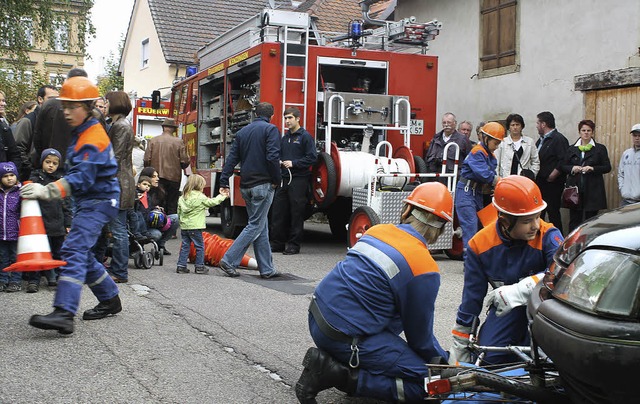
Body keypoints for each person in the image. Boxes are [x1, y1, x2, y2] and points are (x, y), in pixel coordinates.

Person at [295, 182, 453, 403]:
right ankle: (339, 375)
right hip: (345, 337)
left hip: (317, 317)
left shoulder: (378, 230)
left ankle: (343, 361)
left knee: (390, 303)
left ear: (406, 210)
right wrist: (442, 364)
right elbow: (420, 339)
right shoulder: (424, 268)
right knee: (433, 384)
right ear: (442, 229)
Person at [20, 76, 123, 335]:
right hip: (92, 200)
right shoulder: (82, 131)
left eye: (72, 107)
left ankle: (64, 313)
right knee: (82, 253)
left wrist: (47, 190)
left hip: (98, 201)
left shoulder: (93, 137)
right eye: (64, 106)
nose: (66, 112)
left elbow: (82, 177)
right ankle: (109, 298)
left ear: (88, 107)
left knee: (73, 249)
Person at [450, 176, 563, 366]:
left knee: (546, 361)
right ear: (504, 220)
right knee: (489, 359)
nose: (536, 225)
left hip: (546, 310)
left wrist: (520, 290)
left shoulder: (548, 235)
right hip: (506, 309)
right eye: (528, 220)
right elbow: (471, 300)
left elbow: (561, 274)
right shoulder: (479, 245)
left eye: (538, 216)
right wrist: (460, 342)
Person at [218, 102, 280, 279]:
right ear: (271, 116)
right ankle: (229, 260)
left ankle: (267, 269)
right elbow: (273, 157)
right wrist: (277, 179)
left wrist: (224, 180)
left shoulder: (243, 132)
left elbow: (232, 159)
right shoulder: (271, 130)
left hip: (245, 186)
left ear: (255, 114)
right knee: (255, 225)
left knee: (261, 225)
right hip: (263, 185)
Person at [270, 107, 317, 255]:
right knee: (278, 211)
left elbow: (312, 157)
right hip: (284, 179)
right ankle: (277, 243)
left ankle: (294, 245)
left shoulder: (305, 137)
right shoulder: (284, 138)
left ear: (298, 119)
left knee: (296, 213)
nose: (287, 121)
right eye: (285, 118)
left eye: (290, 118)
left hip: (299, 180)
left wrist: (294, 163)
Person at [23, 148, 72, 293]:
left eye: (54, 163)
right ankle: (34, 280)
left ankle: (56, 278)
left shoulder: (60, 181)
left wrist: (68, 223)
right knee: (37, 254)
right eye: (48, 162)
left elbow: (67, 204)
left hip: (57, 224)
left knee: (57, 253)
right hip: (39, 225)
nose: (51, 165)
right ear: (42, 162)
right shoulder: (36, 177)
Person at [455, 122, 503, 256]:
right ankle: (469, 261)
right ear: (486, 138)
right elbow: (484, 174)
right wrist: (500, 182)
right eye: (495, 143)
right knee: (470, 225)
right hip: (466, 192)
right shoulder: (477, 152)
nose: (496, 147)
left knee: (482, 226)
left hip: (477, 193)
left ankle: (480, 258)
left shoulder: (489, 155)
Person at [103, 91, 136, 283]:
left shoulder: (120, 126)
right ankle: (116, 268)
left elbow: (114, 157)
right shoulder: (118, 125)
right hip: (121, 180)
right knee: (117, 229)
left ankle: (120, 272)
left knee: (118, 230)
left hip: (119, 183)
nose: (105, 105)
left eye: (107, 102)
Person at [32, 68, 88, 171]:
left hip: (50, 165)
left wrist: (46, 159)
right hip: (76, 168)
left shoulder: (49, 104)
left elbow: (37, 138)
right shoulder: (90, 111)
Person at [560, 120, 611, 232]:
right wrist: (573, 168)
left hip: (593, 190)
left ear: (592, 132)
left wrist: (592, 168)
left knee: (591, 221)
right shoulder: (571, 149)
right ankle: (572, 244)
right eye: (583, 130)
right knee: (574, 220)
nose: (586, 133)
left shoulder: (600, 149)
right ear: (579, 132)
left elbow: (607, 167)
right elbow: (563, 166)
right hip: (575, 191)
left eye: (589, 130)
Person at [176, 174, 227, 274]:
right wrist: (222, 196)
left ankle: (181, 266)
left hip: (185, 226)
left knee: (185, 246)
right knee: (199, 246)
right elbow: (212, 202)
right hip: (195, 226)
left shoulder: (183, 197)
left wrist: (181, 222)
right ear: (199, 186)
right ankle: (199, 267)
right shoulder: (200, 197)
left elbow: (179, 212)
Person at [143, 118, 189, 215]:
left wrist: (150, 172)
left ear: (163, 128)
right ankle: (171, 226)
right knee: (172, 205)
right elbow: (184, 162)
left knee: (156, 203)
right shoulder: (179, 142)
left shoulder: (153, 141)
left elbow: (146, 159)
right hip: (174, 178)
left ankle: (157, 225)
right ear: (174, 129)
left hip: (156, 177)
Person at [14, 85, 59, 180]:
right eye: (51, 99)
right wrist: (30, 168)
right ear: (40, 99)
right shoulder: (27, 121)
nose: (55, 102)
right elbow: (18, 149)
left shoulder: (56, 120)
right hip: (31, 175)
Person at [535, 111, 569, 234]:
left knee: (553, 213)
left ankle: (558, 240)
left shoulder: (558, 139)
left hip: (552, 184)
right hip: (540, 183)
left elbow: (564, 159)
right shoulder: (540, 141)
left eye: (538, 123)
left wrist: (553, 175)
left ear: (544, 124)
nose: (536, 125)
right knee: (540, 213)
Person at [139, 167, 179, 255]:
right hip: (145, 225)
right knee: (157, 235)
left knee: (175, 218)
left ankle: (161, 245)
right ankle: (139, 246)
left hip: (158, 221)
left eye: (157, 176)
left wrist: (160, 210)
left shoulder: (160, 191)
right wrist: (152, 209)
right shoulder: (140, 193)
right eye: (154, 176)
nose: (157, 179)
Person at [424, 112, 470, 179]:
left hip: (453, 180)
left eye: (449, 122)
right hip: (435, 178)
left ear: (455, 123)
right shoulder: (435, 139)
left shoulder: (462, 140)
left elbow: (469, 160)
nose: (446, 125)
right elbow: (427, 159)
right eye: (444, 122)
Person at [495, 113, 540, 180]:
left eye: (517, 125)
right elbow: (496, 162)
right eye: (512, 125)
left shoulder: (529, 142)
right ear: (509, 127)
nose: (515, 127)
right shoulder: (502, 142)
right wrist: (498, 180)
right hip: (505, 180)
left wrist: (531, 174)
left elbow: (536, 162)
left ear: (521, 126)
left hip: (523, 181)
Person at [0, 162, 21, 292]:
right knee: (2, 258)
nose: (9, 178)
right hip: (1, 233)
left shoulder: (20, 192)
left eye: (12, 175)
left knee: (16, 258)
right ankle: (3, 280)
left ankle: (16, 281)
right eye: (5, 176)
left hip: (16, 233)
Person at [618, 124, 640, 206]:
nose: (637, 138)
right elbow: (621, 174)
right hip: (626, 201)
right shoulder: (626, 153)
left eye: (639, 135)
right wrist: (622, 189)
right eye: (635, 135)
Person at [0, 91, 23, 170]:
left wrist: (11, 172)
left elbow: (15, 154)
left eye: (3, 100)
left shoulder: (4, 127)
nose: (3, 104)